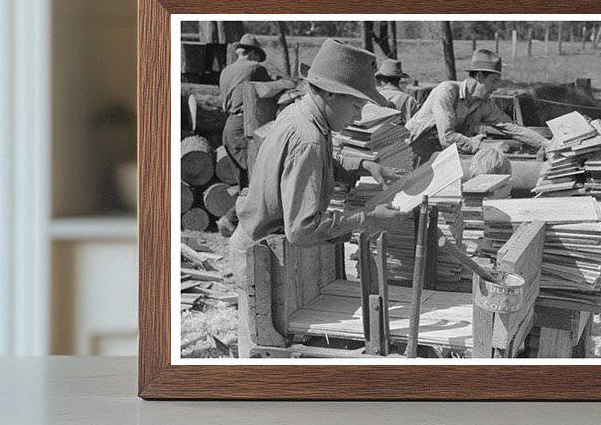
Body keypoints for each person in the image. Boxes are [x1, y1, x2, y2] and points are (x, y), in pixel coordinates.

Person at [229, 39, 407, 346]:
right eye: (355, 105)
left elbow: (329, 158)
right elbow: (301, 229)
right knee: (264, 358)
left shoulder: (302, 114)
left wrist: (366, 165)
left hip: (263, 248)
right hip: (262, 257)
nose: (358, 116)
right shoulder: (309, 138)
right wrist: (366, 218)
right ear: (329, 94)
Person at [405, 48, 550, 165]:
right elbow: (447, 137)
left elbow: (513, 128)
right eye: (493, 81)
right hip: (411, 152)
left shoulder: (484, 103)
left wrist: (546, 143)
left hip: (439, 153)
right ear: (479, 76)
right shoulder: (447, 91)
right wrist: (487, 147)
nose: (496, 88)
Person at [218, 33, 294, 182]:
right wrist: (286, 84)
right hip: (244, 128)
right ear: (253, 53)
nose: (259, 61)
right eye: (258, 56)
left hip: (229, 128)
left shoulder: (226, 71)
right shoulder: (255, 68)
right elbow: (270, 91)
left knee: (244, 185)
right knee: (255, 182)